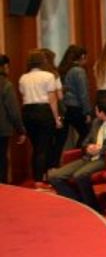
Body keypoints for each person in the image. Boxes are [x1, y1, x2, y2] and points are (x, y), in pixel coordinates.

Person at [48, 97, 106, 211]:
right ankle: (78, 203)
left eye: (96, 110)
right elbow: (85, 142)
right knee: (54, 176)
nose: (95, 112)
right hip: (89, 157)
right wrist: (88, 147)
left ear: (101, 112)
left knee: (80, 175)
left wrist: (101, 149)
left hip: (105, 158)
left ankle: (92, 207)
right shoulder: (96, 122)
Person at [18, 49, 62, 183]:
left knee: (36, 147)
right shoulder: (48, 76)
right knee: (44, 147)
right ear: (43, 61)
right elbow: (52, 99)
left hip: (27, 112)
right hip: (43, 111)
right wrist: (56, 118)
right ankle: (41, 179)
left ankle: (37, 178)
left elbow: (23, 96)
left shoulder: (23, 78)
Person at [56, 45, 91, 149]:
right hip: (76, 107)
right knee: (87, 134)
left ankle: (58, 158)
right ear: (82, 56)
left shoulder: (62, 70)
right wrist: (87, 112)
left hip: (64, 108)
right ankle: (77, 155)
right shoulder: (78, 71)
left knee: (61, 138)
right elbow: (83, 93)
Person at [0, 55, 23, 184]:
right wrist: (20, 130)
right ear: (4, 67)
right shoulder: (6, 85)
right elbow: (13, 110)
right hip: (2, 129)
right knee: (1, 159)